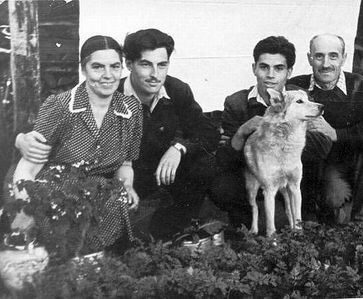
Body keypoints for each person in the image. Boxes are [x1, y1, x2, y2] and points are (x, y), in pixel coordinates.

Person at [15, 29, 219, 240]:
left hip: (149, 170)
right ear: (129, 65)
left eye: (162, 65)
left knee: (204, 166)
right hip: (101, 177)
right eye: (146, 64)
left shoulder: (167, 93)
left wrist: (178, 148)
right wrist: (20, 138)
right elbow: (41, 131)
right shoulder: (102, 93)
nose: (155, 74)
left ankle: (165, 233)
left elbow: (206, 130)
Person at [12, 35, 143, 252]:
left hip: (101, 196)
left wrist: (127, 186)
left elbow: (126, 164)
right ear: (83, 69)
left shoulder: (131, 110)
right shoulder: (60, 107)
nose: (108, 75)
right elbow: (28, 167)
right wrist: (26, 210)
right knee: (57, 264)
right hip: (54, 196)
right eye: (98, 67)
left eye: (115, 66)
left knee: (99, 263)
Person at [211, 36, 332, 229]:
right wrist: (242, 132)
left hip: (289, 174)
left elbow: (322, 145)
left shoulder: (300, 97)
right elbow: (225, 159)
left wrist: (286, 135)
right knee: (223, 188)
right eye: (264, 67)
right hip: (254, 173)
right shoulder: (236, 103)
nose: (270, 75)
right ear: (254, 68)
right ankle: (248, 218)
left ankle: (295, 218)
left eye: (279, 68)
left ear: (289, 72)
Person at [288, 33, 363, 224]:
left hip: (360, 161)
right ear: (309, 58)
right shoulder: (297, 88)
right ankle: (329, 214)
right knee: (332, 201)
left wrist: (336, 134)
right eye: (319, 56)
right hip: (327, 166)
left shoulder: (362, 86)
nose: (326, 64)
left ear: (344, 58)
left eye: (333, 56)